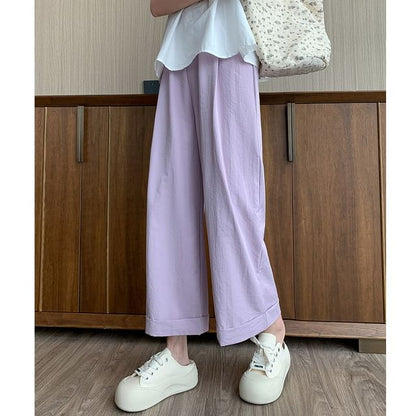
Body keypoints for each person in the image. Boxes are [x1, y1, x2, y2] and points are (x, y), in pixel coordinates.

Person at [115, 0, 290, 412]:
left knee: (233, 197)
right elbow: (158, 5)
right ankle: (176, 353)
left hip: (229, 43)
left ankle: (273, 333)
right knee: (170, 201)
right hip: (179, 51)